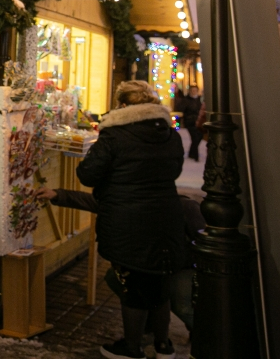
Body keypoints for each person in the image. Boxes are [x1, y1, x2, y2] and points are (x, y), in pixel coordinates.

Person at [76, 80, 185, 360]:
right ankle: (163, 345)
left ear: (123, 105)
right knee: (159, 281)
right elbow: (175, 170)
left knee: (132, 282)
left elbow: (88, 174)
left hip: (127, 218)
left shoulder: (114, 136)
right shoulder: (170, 134)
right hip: (166, 215)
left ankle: (132, 348)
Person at [34, 187, 204, 335]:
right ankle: (148, 325)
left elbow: (204, 244)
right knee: (117, 279)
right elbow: (90, 201)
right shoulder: (130, 205)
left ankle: (208, 338)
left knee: (181, 303)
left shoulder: (186, 207)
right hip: (152, 267)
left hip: (182, 267)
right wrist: (57, 194)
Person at [182, 86, 203, 161]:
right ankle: (195, 156)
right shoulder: (186, 100)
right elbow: (182, 109)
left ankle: (192, 153)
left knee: (199, 137)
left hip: (199, 121)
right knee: (195, 137)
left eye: (195, 90)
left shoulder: (200, 100)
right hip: (190, 122)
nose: (194, 92)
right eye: (192, 90)